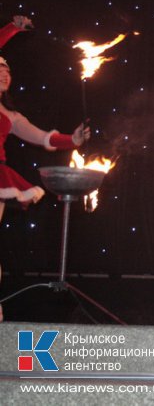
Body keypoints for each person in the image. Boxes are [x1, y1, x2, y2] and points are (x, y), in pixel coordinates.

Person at [1, 18, 90, 322]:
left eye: (7, 70)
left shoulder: (10, 115)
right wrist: (12, 29)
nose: (4, 72)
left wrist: (72, 139)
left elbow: (42, 137)